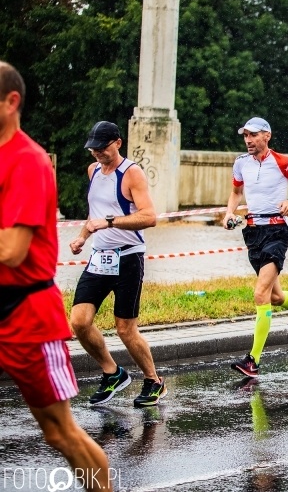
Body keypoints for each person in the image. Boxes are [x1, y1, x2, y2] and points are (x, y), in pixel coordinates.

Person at [0, 61, 113, 491]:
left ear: (11, 103)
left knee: (60, 433)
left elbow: (12, 251)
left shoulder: (27, 161)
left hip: (27, 315)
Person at [69, 121, 166, 407]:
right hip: (100, 257)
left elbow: (150, 216)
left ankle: (153, 380)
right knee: (79, 322)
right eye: (93, 149)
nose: (97, 153)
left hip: (128, 257)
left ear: (118, 143)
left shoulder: (131, 173)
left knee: (125, 329)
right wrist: (82, 236)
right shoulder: (94, 171)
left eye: (103, 147)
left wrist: (110, 222)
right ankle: (112, 373)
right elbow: (95, 213)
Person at [223, 117, 288, 378]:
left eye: (253, 135)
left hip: (278, 231)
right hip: (252, 231)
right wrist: (228, 214)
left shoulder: (282, 161)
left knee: (260, 294)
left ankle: (253, 361)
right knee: (275, 297)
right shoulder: (241, 164)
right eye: (245, 135)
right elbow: (236, 192)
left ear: (266, 136)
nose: (248, 140)